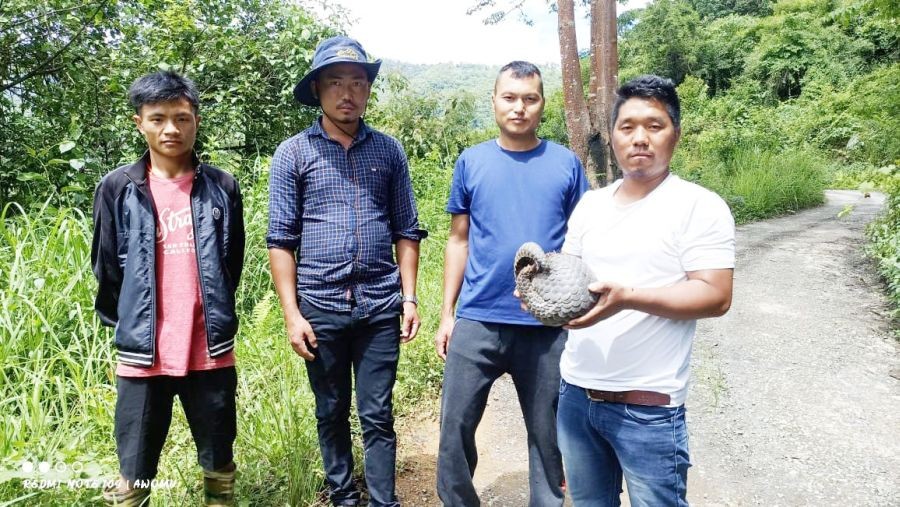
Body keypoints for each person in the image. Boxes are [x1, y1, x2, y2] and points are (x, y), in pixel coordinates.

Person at [554, 74, 735, 506]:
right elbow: (570, 279)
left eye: (655, 126)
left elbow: (715, 295)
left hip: (649, 406)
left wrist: (629, 297)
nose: (640, 138)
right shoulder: (591, 205)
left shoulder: (699, 206)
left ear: (676, 134)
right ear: (613, 135)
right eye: (628, 126)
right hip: (576, 395)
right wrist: (541, 294)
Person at [266, 35, 425, 507]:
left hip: (379, 304)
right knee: (330, 409)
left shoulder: (389, 151)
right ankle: (342, 497)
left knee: (377, 413)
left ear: (368, 90)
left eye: (357, 82)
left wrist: (410, 297)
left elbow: (407, 229)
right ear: (317, 89)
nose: (347, 92)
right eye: (335, 82)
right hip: (320, 308)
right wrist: (292, 315)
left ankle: (383, 501)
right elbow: (281, 240)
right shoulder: (293, 154)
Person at [435, 61, 589, 506]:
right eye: (510, 97)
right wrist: (448, 314)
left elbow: (581, 243)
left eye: (530, 98)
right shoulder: (472, 161)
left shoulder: (565, 164)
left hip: (546, 324)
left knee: (549, 434)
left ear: (542, 104)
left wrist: (579, 311)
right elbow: (458, 240)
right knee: (454, 430)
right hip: (479, 318)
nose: (519, 108)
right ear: (495, 101)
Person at [91, 71, 246, 507]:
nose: (171, 129)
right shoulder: (118, 188)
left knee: (219, 464)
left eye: (181, 117)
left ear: (196, 118)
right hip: (143, 356)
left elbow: (230, 263)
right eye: (157, 118)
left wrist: (212, 313)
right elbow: (106, 268)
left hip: (208, 351)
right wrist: (131, 326)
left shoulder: (221, 186)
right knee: (134, 473)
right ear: (138, 122)